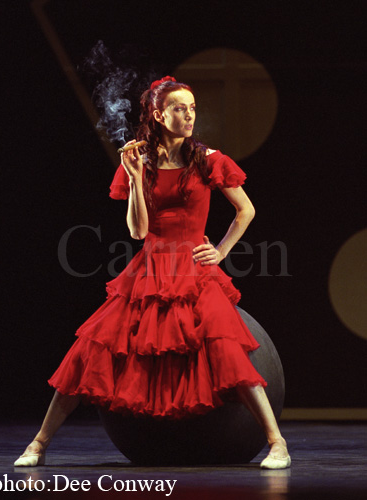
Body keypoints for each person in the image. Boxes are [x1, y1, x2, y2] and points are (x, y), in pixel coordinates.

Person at [14, 76, 291, 470]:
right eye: (180, 108)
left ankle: (277, 443)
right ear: (160, 115)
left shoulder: (209, 159)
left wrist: (221, 251)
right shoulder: (141, 162)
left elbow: (246, 209)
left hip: (194, 269)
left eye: (193, 108)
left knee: (225, 349)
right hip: (149, 269)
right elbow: (138, 231)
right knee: (90, 350)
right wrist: (131, 176)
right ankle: (39, 444)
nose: (189, 115)